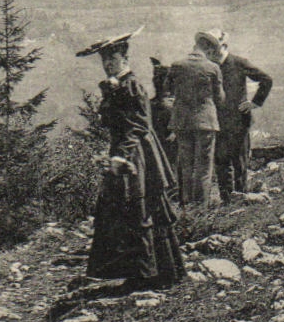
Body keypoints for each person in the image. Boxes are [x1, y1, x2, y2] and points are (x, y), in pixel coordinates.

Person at [76, 29, 186, 290]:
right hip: (126, 150)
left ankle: (150, 275)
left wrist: (121, 156)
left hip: (136, 152)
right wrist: (110, 93)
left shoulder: (132, 85)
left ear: (125, 60)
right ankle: (143, 271)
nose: (107, 66)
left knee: (141, 209)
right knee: (127, 209)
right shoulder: (118, 85)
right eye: (105, 62)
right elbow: (110, 121)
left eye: (112, 61)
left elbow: (137, 126)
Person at [200, 30, 273, 201]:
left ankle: (242, 196)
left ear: (224, 46)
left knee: (239, 161)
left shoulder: (238, 63)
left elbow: (266, 80)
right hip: (218, 121)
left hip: (239, 121)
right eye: (207, 49)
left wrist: (254, 103)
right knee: (220, 160)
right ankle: (226, 198)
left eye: (213, 48)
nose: (210, 52)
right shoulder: (210, 67)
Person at [164, 33, 225, 207]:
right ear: (209, 49)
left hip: (182, 122)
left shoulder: (177, 66)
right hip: (206, 122)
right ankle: (201, 209)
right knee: (204, 168)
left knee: (186, 165)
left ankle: (186, 206)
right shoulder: (213, 68)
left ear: (195, 46)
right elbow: (220, 99)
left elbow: (166, 93)